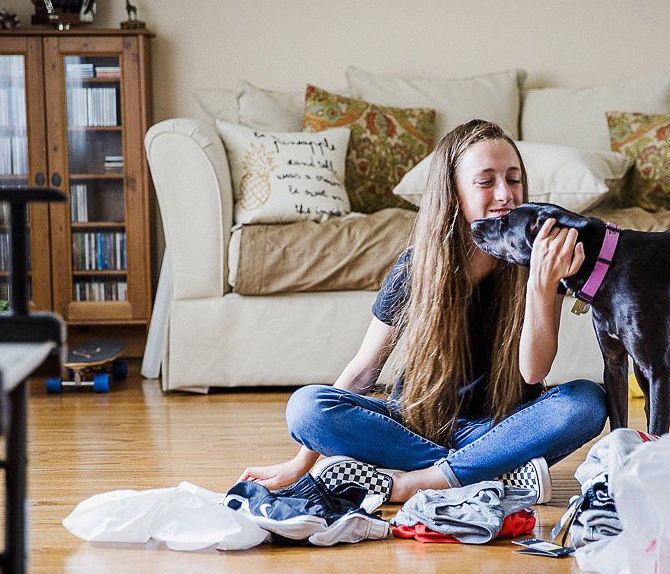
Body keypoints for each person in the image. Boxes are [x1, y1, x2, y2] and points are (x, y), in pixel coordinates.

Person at [239, 119, 608, 503]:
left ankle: (415, 482)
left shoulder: (536, 263)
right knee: (307, 408)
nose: (505, 194)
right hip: (416, 426)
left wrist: (540, 285)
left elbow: (534, 372)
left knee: (586, 402)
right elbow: (364, 370)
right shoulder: (417, 268)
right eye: (486, 182)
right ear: (453, 192)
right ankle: (484, 473)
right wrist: (302, 462)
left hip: (499, 428)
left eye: (513, 180)